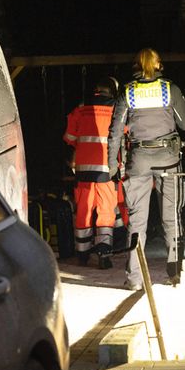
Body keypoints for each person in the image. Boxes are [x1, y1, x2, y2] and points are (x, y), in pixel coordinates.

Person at [107, 48, 185, 289]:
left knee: (137, 222)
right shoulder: (169, 89)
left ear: (136, 65)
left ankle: (134, 279)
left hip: (138, 160)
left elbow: (114, 133)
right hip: (168, 160)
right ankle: (175, 273)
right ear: (158, 65)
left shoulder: (127, 92)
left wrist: (112, 165)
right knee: (171, 218)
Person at [63, 77, 121, 269]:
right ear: (112, 91)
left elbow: (70, 137)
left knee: (83, 210)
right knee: (105, 211)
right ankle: (104, 254)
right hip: (107, 169)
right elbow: (125, 135)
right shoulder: (116, 108)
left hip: (83, 169)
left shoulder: (80, 108)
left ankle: (83, 254)